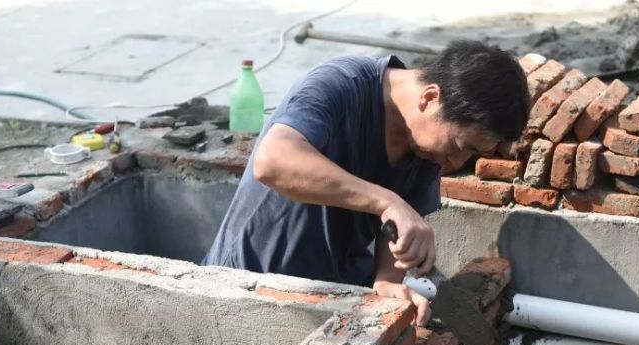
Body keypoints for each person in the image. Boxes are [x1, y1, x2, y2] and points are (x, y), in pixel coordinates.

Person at [202, 40, 529, 325]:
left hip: (330, 297)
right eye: (461, 147)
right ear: (430, 98)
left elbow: (396, 229)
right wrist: (387, 201)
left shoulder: (427, 147)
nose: (455, 164)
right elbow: (272, 161)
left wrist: (387, 282)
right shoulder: (341, 84)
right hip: (246, 291)